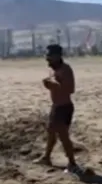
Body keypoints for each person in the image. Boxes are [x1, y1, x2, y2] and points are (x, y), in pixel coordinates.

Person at [34, 44, 81, 174]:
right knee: (51, 132)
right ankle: (46, 157)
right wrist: (50, 85)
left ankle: (72, 164)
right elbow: (54, 84)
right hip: (56, 106)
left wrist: (53, 86)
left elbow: (70, 89)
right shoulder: (54, 69)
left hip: (64, 107)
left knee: (63, 136)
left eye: (49, 56)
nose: (47, 58)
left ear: (57, 56)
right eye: (46, 55)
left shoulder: (66, 69)